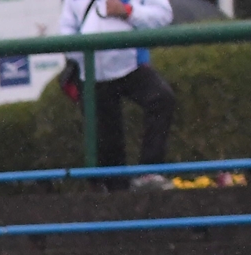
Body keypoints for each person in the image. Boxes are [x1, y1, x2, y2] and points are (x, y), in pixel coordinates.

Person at [59, 0, 175, 190]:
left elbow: (163, 15)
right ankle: (116, 195)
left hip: (132, 66)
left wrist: (127, 11)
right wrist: (88, 56)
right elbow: (66, 32)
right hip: (93, 75)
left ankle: (150, 172)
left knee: (162, 98)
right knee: (110, 142)